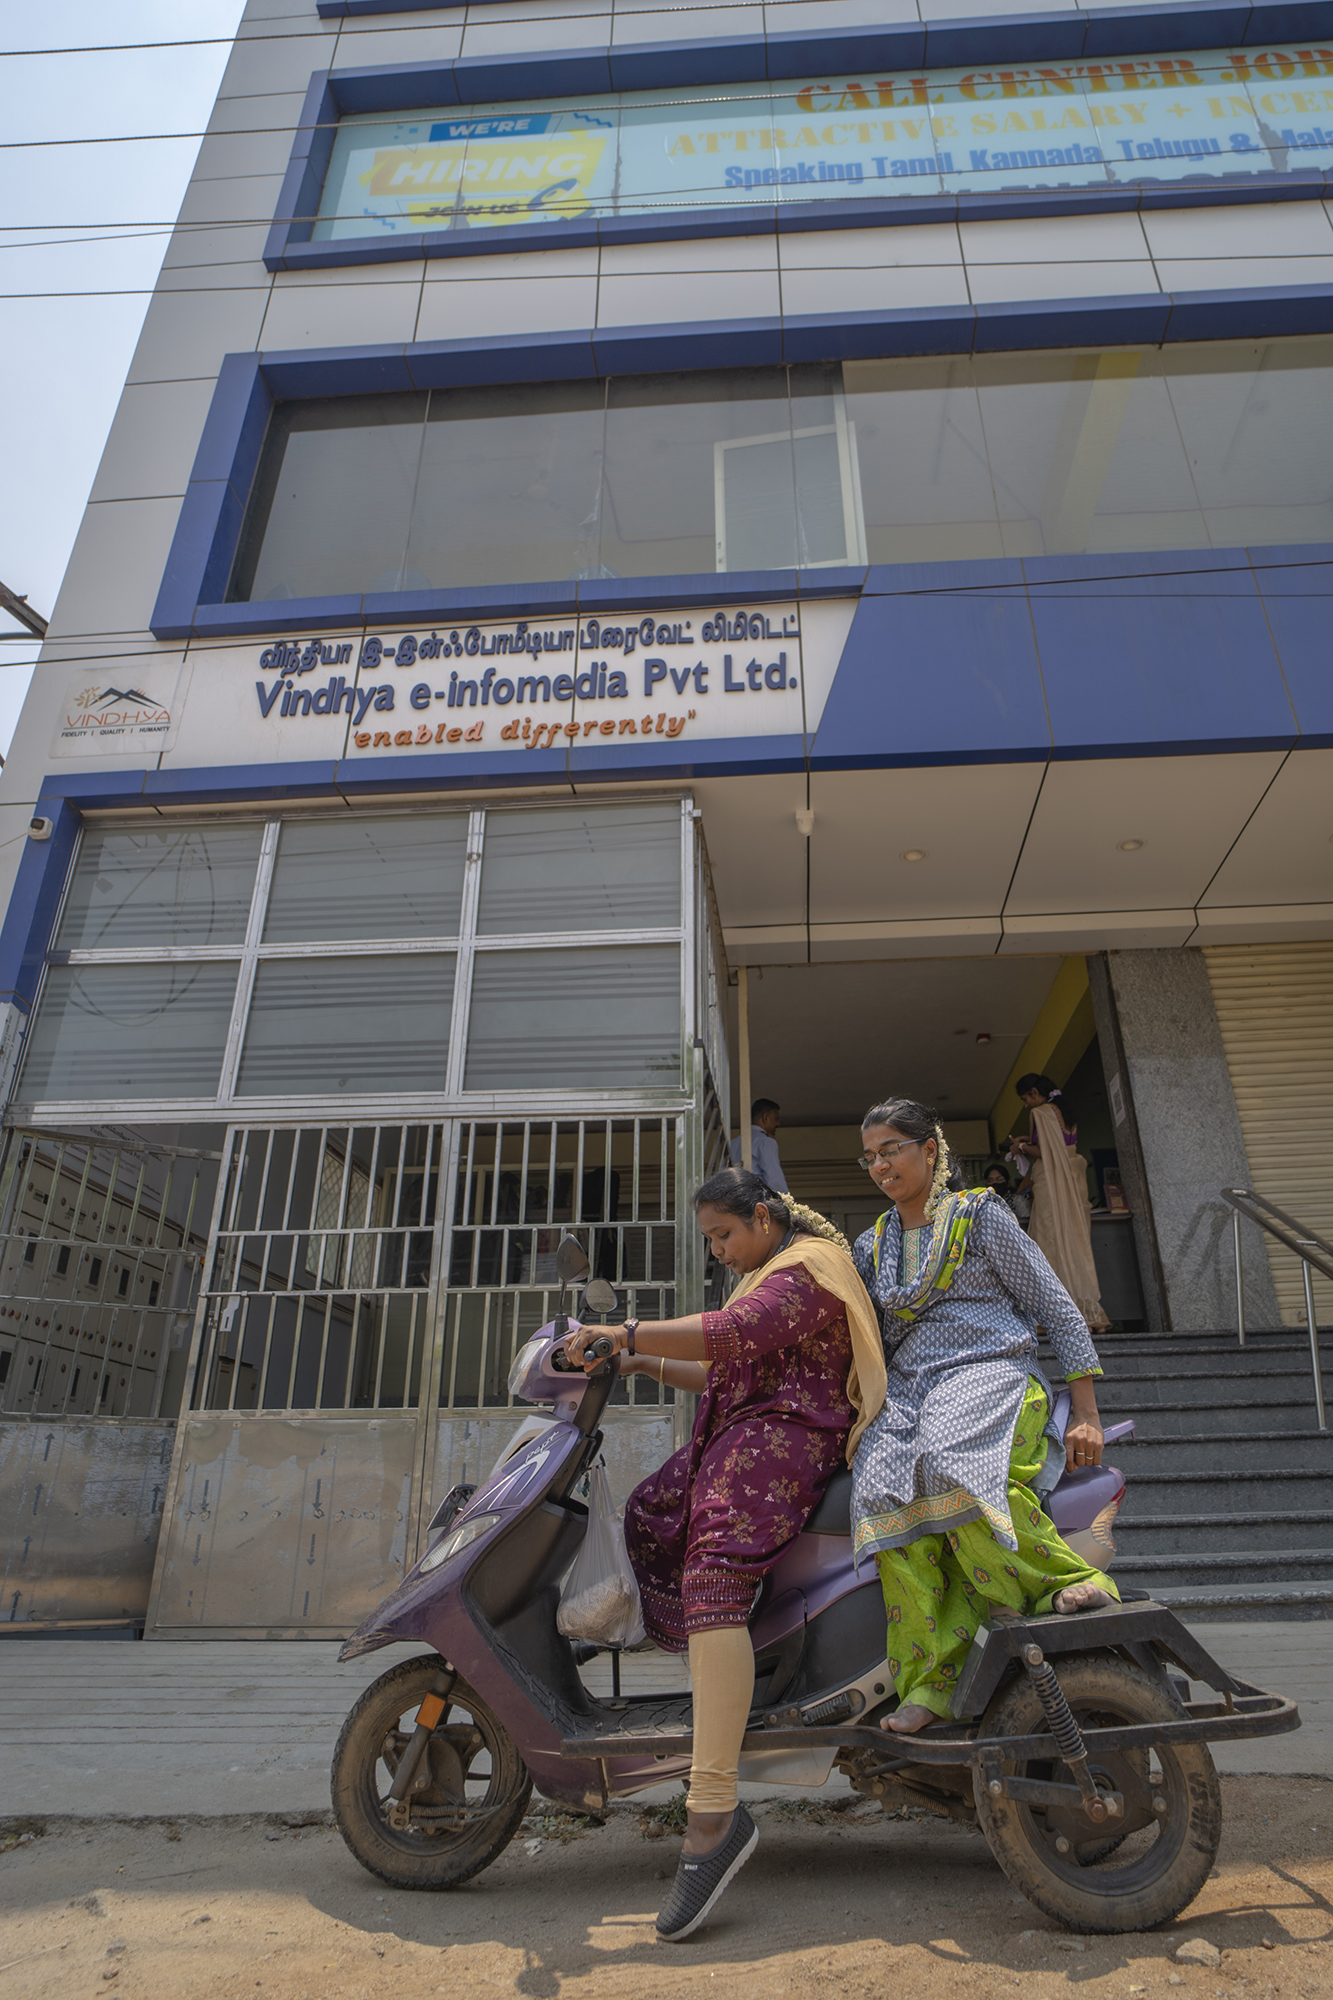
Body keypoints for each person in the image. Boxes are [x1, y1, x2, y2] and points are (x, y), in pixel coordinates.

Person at [561, 1166, 883, 1941]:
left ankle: (711, 1815)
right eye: (711, 1240)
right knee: (650, 1511)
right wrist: (641, 1362)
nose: (722, 1251)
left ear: (764, 1218)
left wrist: (626, 1332)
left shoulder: (809, 1271)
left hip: (787, 1440)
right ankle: (728, 1690)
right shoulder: (771, 1271)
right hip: (748, 1434)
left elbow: (735, 1337)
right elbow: (726, 1365)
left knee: (710, 1579)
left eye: (725, 1235)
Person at [849, 1097, 1117, 1736]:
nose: (880, 1165)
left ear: (930, 1149)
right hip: (908, 1389)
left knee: (949, 1466)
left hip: (989, 1370)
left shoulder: (982, 1215)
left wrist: (1086, 1411)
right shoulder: (872, 1244)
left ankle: (1066, 1581)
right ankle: (928, 1683)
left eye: (892, 1149)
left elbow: (1056, 1307)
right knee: (878, 1494)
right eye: (870, 1156)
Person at [1006, 1072, 1109, 1331]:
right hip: (1073, 1182)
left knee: (1048, 1242)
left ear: (1034, 1093)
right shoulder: (1066, 1112)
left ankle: (1052, 1314)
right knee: (1074, 1242)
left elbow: (1045, 1153)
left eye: (1025, 1098)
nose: (1026, 1104)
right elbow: (1062, 1148)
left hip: (1052, 1183)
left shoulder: (1040, 1113)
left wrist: (1020, 1148)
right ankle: (1086, 1311)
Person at [729, 1097, 789, 1194]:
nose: (778, 1123)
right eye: (776, 1119)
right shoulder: (765, 1142)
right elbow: (775, 1179)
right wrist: (785, 1202)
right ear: (765, 1118)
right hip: (756, 1199)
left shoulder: (733, 1143)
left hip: (735, 1199)